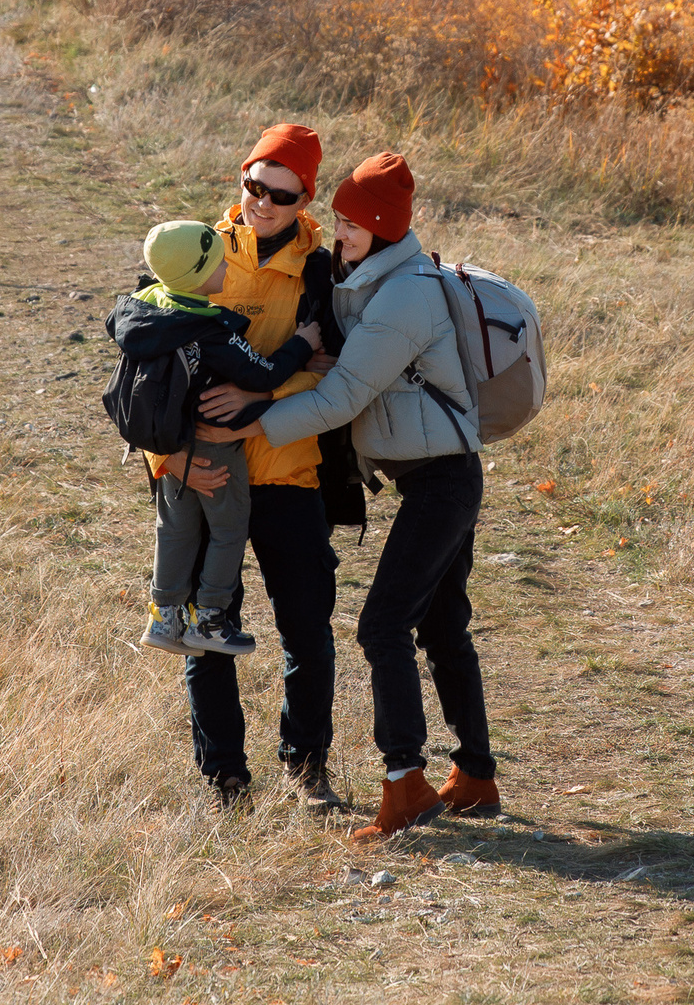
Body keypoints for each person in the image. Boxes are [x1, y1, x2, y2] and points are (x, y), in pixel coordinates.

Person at [195, 150, 500, 838]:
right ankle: (475, 776)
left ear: (386, 228)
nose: (340, 232)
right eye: (336, 218)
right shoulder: (363, 277)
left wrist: (249, 419)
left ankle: (404, 784)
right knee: (443, 625)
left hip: (443, 480)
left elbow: (343, 396)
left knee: (381, 625)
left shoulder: (405, 296)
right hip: (429, 476)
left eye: (354, 223)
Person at [144, 122, 348, 811]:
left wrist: (260, 392)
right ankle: (225, 778)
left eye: (280, 196)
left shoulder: (324, 271)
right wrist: (168, 459)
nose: (261, 203)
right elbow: (145, 374)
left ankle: (307, 769)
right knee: (207, 635)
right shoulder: (196, 252)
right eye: (253, 186)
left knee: (308, 634)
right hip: (203, 478)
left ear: (305, 199)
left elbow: (338, 374)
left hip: (289, 472)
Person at [107, 220, 325, 659]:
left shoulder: (145, 309)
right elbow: (262, 373)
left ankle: (164, 615)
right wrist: (302, 345)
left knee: (173, 529)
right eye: (216, 259)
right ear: (198, 274)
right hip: (215, 446)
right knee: (228, 530)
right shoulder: (210, 332)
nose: (227, 262)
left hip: (172, 447)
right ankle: (210, 618)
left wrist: (167, 454)